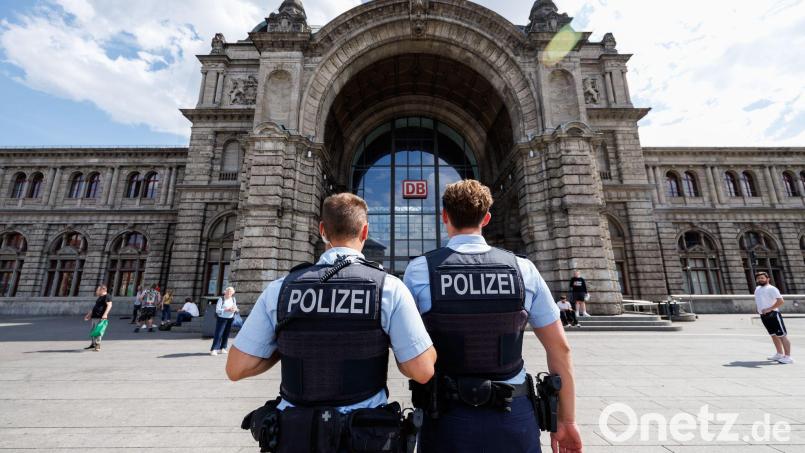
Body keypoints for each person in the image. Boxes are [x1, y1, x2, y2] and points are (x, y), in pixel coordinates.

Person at [226, 193, 436, 453]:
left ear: (322, 230)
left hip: (295, 437)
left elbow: (236, 368)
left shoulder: (280, 289)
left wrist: (286, 342)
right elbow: (423, 370)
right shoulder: (388, 288)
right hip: (365, 437)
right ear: (365, 231)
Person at [403, 179, 582, 453]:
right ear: (486, 218)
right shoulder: (523, 269)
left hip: (446, 417)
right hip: (514, 414)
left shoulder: (419, 270)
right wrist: (566, 419)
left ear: (444, 216)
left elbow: (410, 352)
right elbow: (560, 347)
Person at [755, 272, 794, 364]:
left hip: (773, 314)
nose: (760, 280)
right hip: (763, 315)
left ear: (768, 279)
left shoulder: (772, 289)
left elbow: (781, 301)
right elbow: (759, 300)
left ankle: (788, 357)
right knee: (773, 335)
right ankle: (779, 354)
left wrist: (769, 309)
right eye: (758, 278)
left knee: (782, 335)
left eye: (762, 278)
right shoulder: (757, 289)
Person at [84, 285, 112, 351]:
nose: (97, 291)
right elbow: (95, 307)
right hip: (94, 316)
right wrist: (89, 314)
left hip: (100, 316)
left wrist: (105, 314)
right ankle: (93, 344)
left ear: (103, 290)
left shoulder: (107, 296)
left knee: (98, 331)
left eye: (98, 290)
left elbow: (109, 305)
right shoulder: (100, 297)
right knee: (93, 331)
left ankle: (97, 345)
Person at [210, 287, 238, 355]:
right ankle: (214, 349)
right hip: (222, 318)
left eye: (231, 292)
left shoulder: (233, 299)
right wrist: (227, 310)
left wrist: (235, 309)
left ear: (233, 293)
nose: (229, 293)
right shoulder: (221, 299)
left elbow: (235, 307)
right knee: (219, 334)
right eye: (228, 291)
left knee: (226, 334)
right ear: (225, 292)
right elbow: (217, 310)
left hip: (230, 318)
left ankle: (223, 348)